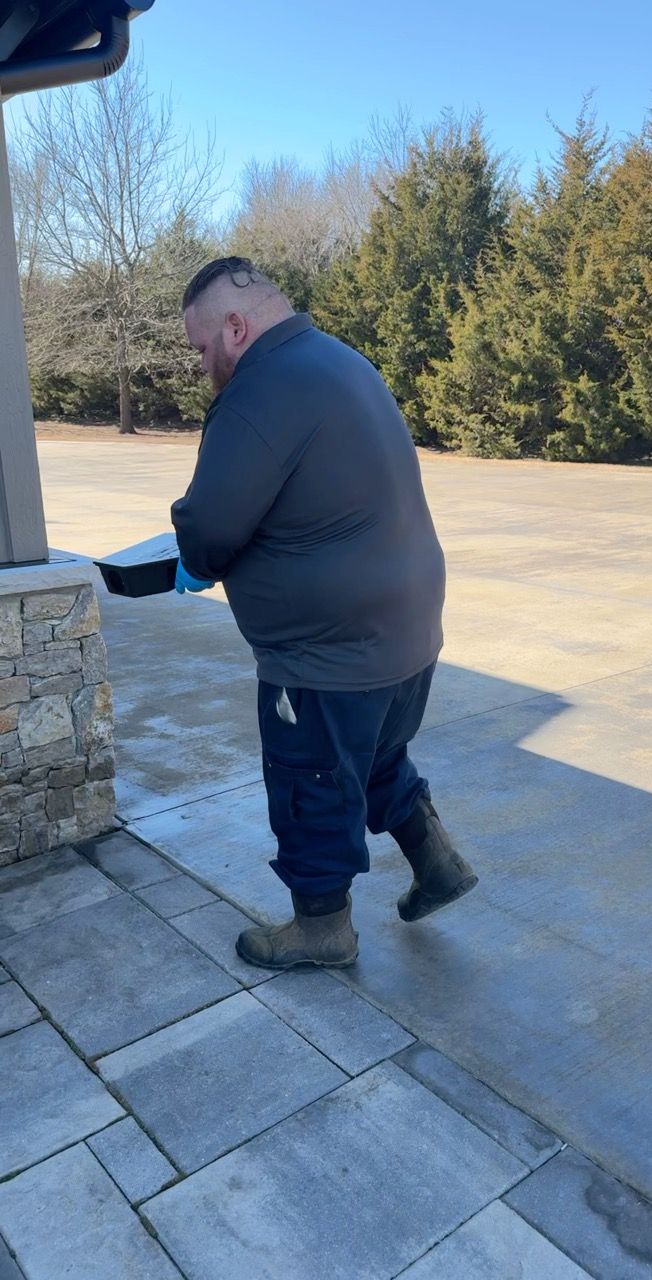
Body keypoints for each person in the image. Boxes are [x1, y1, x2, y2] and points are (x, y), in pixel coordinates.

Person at [171, 257, 477, 970]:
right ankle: (437, 863)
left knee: (311, 775)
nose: (202, 367)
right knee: (373, 757)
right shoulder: (340, 360)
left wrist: (192, 552)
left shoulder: (261, 389)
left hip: (327, 652)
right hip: (406, 632)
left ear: (236, 329)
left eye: (202, 349)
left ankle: (323, 928)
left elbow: (211, 526)